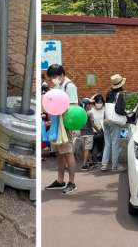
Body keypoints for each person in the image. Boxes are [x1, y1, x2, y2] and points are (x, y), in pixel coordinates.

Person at [44, 64, 79, 193]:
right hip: (56, 122)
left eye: (54, 76)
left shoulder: (69, 86)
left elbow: (74, 105)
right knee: (58, 152)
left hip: (64, 124)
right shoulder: (58, 85)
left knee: (68, 152)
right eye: (51, 77)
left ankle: (72, 182)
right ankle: (60, 180)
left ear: (62, 74)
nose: (53, 79)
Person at [103, 74, 128, 172]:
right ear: (120, 86)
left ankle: (104, 164)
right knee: (115, 143)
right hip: (114, 121)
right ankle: (115, 165)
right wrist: (125, 113)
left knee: (107, 143)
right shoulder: (119, 95)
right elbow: (118, 110)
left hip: (106, 119)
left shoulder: (108, 94)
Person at [82, 94, 106, 171]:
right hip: (92, 130)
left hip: (101, 129)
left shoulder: (105, 110)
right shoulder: (91, 112)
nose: (99, 104)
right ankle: (87, 162)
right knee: (91, 142)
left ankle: (98, 155)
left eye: (101, 102)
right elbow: (92, 123)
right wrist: (94, 129)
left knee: (99, 137)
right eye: (98, 102)